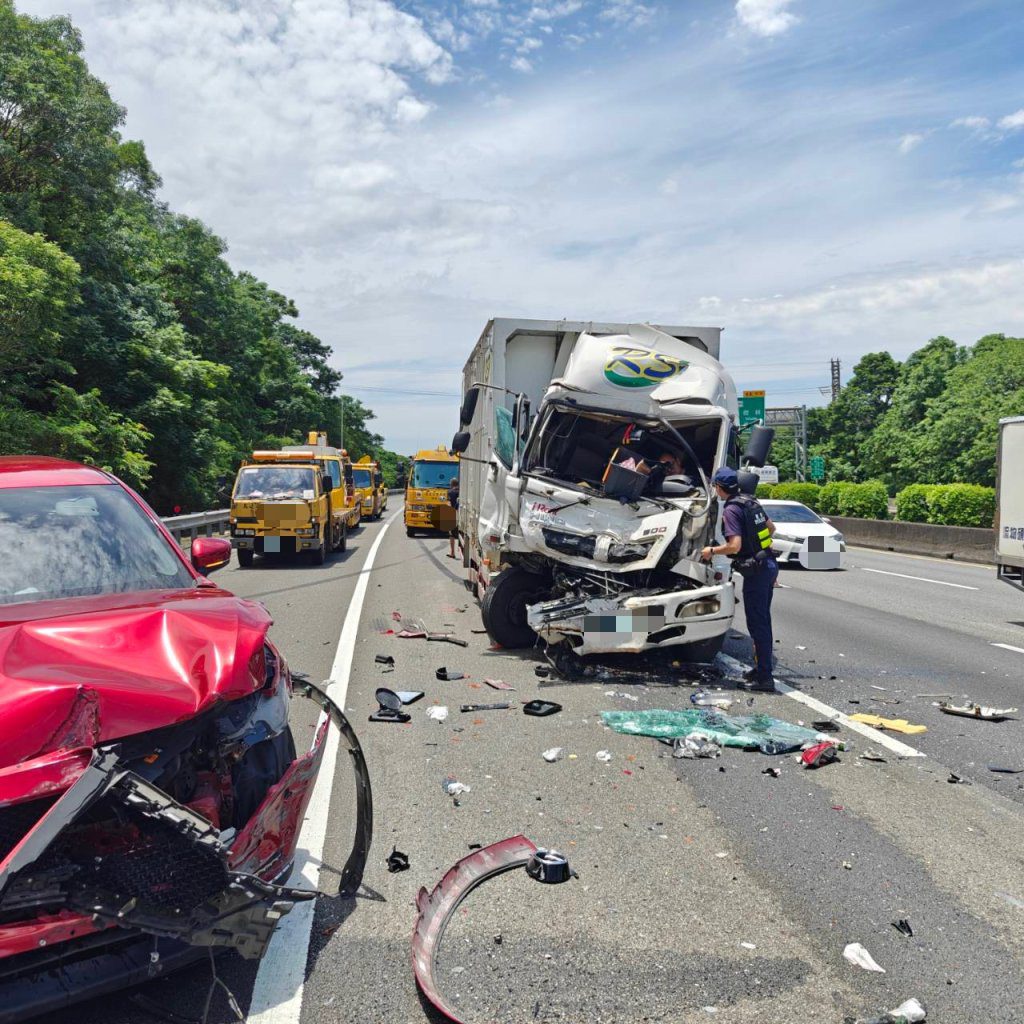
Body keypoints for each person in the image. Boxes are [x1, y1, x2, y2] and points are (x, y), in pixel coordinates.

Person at [699, 466, 778, 691]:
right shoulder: (751, 502)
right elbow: (771, 528)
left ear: (718, 487)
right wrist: (757, 547)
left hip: (758, 571)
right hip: (768, 564)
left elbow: (734, 546)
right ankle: (760, 669)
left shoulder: (732, 509)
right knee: (762, 621)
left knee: (758, 624)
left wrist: (711, 551)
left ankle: (765, 678)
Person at [447, 476, 460, 559]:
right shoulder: (461, 491)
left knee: (451, 535)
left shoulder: (450, 492)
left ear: (451, 484)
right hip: (462, 515)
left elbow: (448, 504)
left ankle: (452, 552)